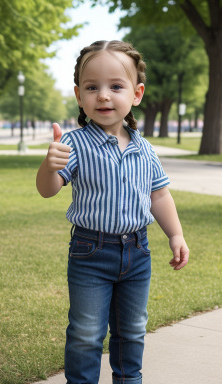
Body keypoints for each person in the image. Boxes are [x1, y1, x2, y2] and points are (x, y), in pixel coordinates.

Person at [36, 40, 189, 384]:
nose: (103, 96)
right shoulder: (73, 145)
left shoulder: (144, 148)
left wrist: (176, 234)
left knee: (132, 330)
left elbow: (159, 195)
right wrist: (49, 166)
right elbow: (48, 190)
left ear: (136, 94)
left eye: (115, 86)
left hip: (138, 252)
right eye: (92, 87)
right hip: (91, 252)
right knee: (87, 333)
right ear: (79, 95)